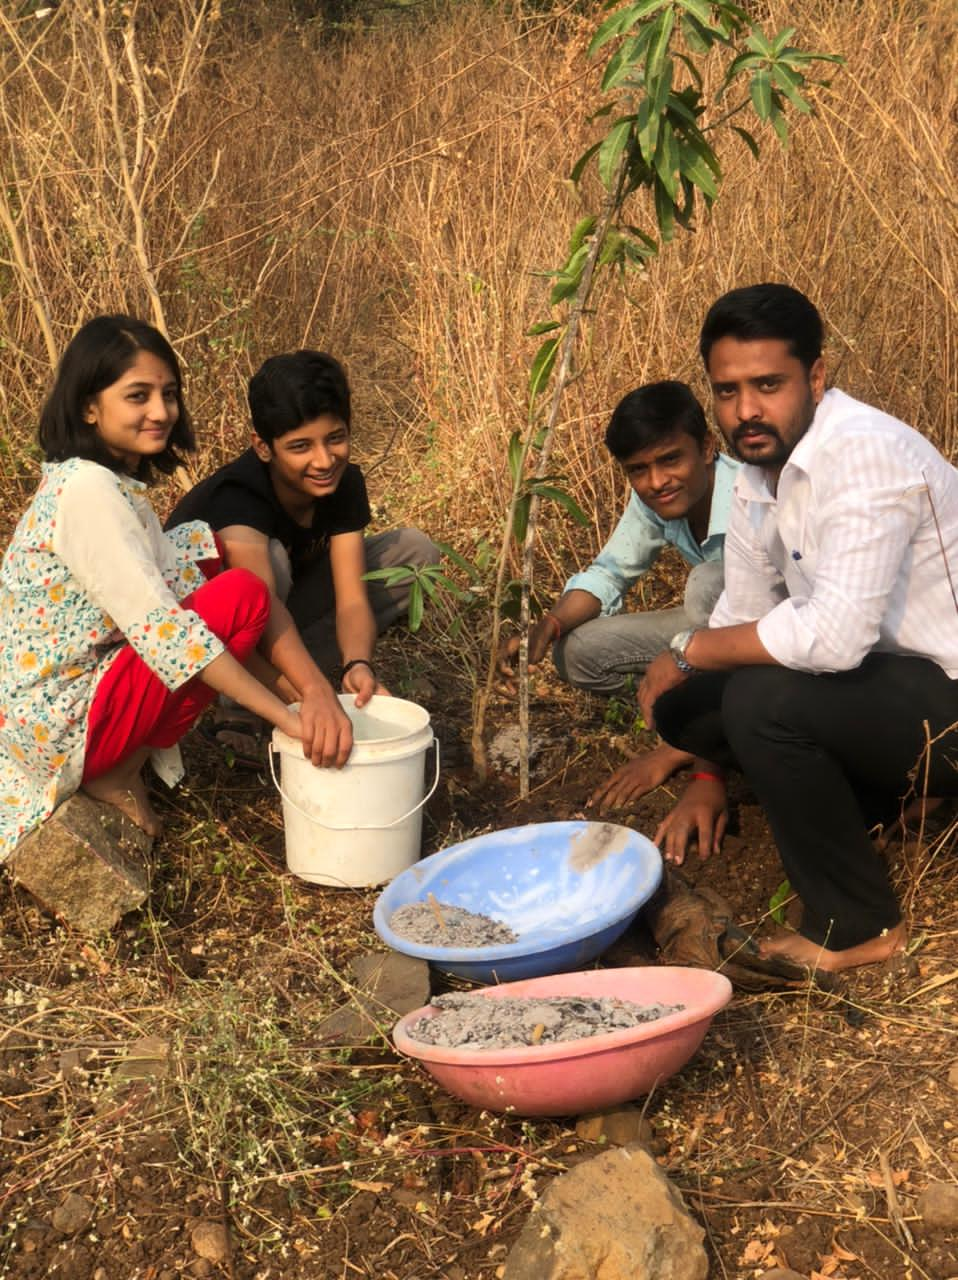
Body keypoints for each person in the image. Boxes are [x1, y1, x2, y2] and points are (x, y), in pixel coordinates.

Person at [640, 283, 958, 974]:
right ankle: (887, 799)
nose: (746, 410)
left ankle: (860, 928)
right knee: (688, 707)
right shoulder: (759, 467)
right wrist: (689, 682)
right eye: (727, 391)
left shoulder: (866, 456)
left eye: (768, 384)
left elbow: (834, 638)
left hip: (946, 701)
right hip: (889, 689)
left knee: (760, 700)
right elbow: (747, 608)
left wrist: (690, 646)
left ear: (817, 376)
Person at [0, 315, 316, 855]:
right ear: (88, 406)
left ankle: (124, 756)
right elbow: (168, 632)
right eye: (137, 395)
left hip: (66, 700)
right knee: (237, 594)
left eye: (168, 394)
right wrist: (288, 718)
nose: (161, 411)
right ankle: (115, 769)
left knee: (208, 558)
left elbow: (180, 602)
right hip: (59, 725)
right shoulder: (87, 492)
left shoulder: (105, 482)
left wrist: (305, 697)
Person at [166, 350, 438, 764]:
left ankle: (305, 682)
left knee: (415, 554)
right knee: (268, 567)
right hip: (208, 643)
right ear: (262, 446)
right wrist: (313, 693)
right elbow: (259, 611)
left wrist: (357, 664)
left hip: (280, 619)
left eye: (335, 438)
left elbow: (351, 598)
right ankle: (240, 705)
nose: (324, 460)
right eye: (300, 447)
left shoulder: (343, 483)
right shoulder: (239, 497)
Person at [497, 380, 739, 809]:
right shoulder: (654, 498)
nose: (657, 481)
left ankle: (694, 737)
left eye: (670, 460)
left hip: (766, 645)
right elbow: (610, 573)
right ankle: (677, 708)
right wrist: (549, 624)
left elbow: (777, 627)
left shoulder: (751, 498)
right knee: (576, 651)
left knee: (707, 584)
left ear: (706, 448)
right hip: (710, 628)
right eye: (638, 470)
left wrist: (692, 763)